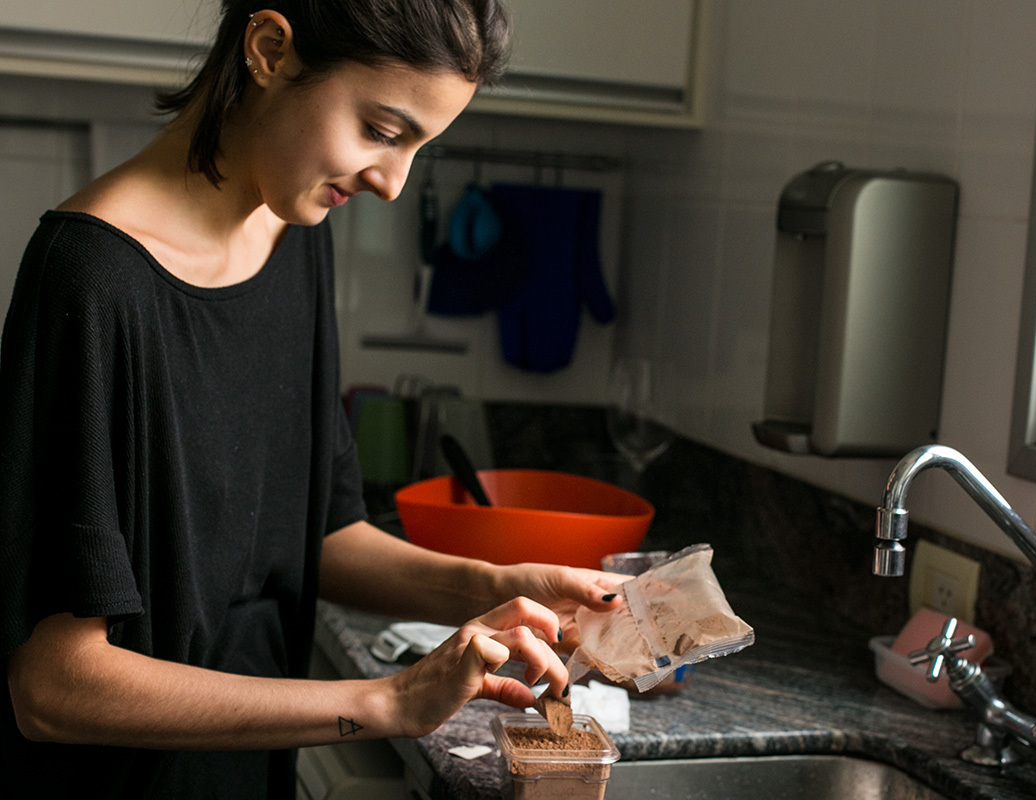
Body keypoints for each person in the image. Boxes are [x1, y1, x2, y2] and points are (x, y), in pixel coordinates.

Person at [0, 1, 625, 797]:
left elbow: (320, 535)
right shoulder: (89, 278)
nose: (393, 184)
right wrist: (388, 700)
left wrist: (498, 585)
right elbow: (51, 687)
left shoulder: (293, 231)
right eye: (380, 129)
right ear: (268, 50)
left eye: (417, 147)